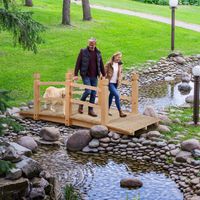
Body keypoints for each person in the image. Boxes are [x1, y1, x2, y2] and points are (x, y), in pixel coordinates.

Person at [74, 38, 105, 117]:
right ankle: (81, 104)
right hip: (85, 75)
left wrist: (104, 74)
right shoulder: (83, 51)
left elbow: (101, 64)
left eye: (93, 44)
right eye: (90, 44)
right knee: (88, 91)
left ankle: (90, 110)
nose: (91, 45)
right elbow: (78, 63)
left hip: (94, 76)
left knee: (94, 93)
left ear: (95, 44)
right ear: (88, 44)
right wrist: (75, 74)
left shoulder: (98, 52)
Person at [105, 52, 127, 118]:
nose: (119, 59)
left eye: (120, 57)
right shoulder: (109, 64)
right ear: (114, 57)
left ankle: (107, 110)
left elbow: (120, 72)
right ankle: (120, 112)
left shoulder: (120, 64)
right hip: (110, 82)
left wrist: (120, 77)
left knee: (111, 96)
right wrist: (103, 77)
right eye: (118, 57)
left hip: (116, 83)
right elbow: (103, 71)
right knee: (117, 95)